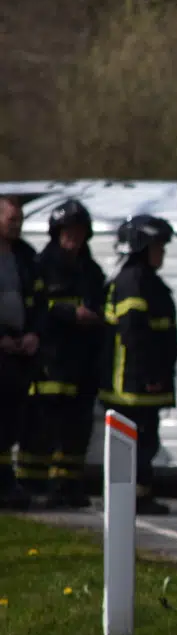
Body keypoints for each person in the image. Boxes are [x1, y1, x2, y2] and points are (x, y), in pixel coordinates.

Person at [16, 199, 107, 508]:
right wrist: (69, 313)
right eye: (68, 231)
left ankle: (66, 485)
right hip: (49, 362)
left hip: (82, 362)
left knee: (76, 429)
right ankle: (30, 483)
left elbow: (103, 306)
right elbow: (37, 309)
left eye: (79, 232)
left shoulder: (91, 271)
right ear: (56, 233)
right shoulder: (41, 267)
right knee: (41, 426)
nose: (74, 238)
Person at [99, 214, 177, 516]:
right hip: (131, 383)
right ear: (142, 247)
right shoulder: (133, 282)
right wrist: (150, 376)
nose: (163, 252)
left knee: (145, 442)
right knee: (135, 443)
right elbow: (134, 335)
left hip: (142, 383)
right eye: (158, 246)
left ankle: (139, 495)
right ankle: (129, 497)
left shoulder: (147, 281)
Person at [0, 194, 45, 510]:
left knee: (11, 418)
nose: (17, 226)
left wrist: (33, 333)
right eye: (11, 219)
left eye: (20, 220)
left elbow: (40, 301)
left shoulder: (26, 256)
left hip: (19, 349)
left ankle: (5, 480)